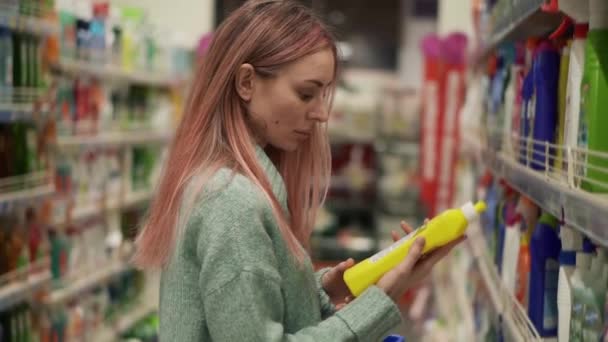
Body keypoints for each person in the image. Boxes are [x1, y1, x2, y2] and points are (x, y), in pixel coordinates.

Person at [134, 1, 463, 341]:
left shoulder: (231, 184)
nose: (321, 113)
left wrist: (320, 294)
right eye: (306, 94)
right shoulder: (232, 202)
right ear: (246, 82)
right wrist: (379, 301)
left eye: (324, 94)